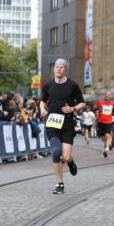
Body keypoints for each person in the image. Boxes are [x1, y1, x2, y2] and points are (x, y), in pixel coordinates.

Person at [39, 58, 84, 194]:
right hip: (52, 122)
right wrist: (42, 109)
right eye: (57, 67)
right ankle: (60, 183)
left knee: (65, 156)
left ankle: (70, 161)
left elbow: (82, 103)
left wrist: (73, 109)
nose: (58, 69)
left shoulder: (72, 85)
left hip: (67, 123)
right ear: (54, 69)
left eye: (61, 67)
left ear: (66, 70)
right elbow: (42, 100)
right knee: (56, 152)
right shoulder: (48, 85)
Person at [94, 90, 114, 157]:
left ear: (110, 96)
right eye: (106, 94)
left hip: (108, 122)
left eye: (108, 95)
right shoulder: (100, 102)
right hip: (100, 122)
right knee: (103, 138)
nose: (107, 96)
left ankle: (106, 150)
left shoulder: (113, 103)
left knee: (107, 135)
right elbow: (95, 109)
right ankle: (108, 143)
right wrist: (97, 112)